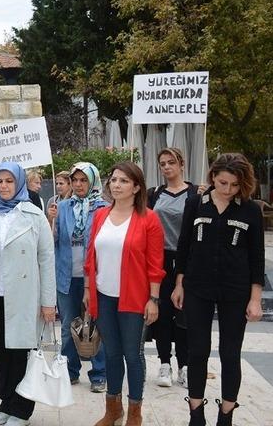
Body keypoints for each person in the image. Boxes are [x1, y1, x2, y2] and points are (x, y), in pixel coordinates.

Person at [172, 153, 264, 426]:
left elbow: (257, 256)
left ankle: (226, 414)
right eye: (222, 182)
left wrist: (255, 298)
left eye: (234, 185)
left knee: (230, 353)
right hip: (197, 287)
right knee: (197, 350)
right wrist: (179, 284)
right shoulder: (195, 204)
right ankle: (196, 412)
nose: (227, 190)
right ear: (212, 177)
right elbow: (184, 246)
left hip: (235, 290)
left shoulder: (250, 210)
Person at [84, 162, 165, 426]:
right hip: (103, 295)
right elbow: (91, 256)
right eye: (114, 180)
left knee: (133, 354)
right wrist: (87, 289)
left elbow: (155, 264)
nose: (116, 185)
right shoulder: (100, 216)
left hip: (134, 298)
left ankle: (135, 412)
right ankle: (113, 409)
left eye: (124, 181)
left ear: (137, 187)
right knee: (111, 354)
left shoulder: (148, 218)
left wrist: (153, 299)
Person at [0, 162, 56, 426]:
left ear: (19, 182)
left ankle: (22, 409)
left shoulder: (34, 215)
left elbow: (46, 259)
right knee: (1, 351)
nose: (4, 186)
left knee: (21, 352)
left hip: (24, 297)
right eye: (0, 181)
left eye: (10, 181)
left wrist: (48, 302)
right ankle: (6, 401)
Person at [47, 163, 108, 393]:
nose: (79, 185)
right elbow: (51, 241)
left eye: (84, 180)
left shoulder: (104, 208)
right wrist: (50, 219)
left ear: (92, 181)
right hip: (66, 276)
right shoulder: (61, 207)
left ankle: (99, 373)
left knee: (95, 325)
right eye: (75, 181)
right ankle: (69, 371)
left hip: (93, 278)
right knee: (67, 327)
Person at [148, 147, 198, 389]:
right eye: (162, 163)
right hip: (160, 259)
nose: (167, 167)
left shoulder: (196, 194)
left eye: (171, 162)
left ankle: (185, 365)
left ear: (182, 164)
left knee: (185, 315)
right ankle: (164, 363)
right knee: (164, 313)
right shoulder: (155, 194)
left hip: (188, 260)